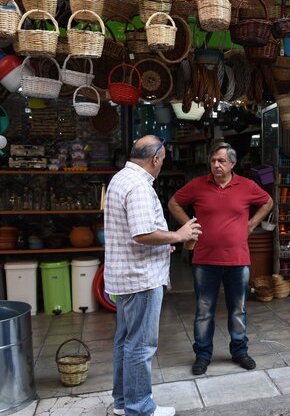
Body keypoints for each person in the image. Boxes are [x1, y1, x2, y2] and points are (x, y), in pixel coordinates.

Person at [104, 135, 202, 416]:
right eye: (163, 160)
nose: (162, 165)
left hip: (127, 276)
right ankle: (139, 407)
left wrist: (165, 243)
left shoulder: (121, 178)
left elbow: (136, 232)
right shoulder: (137, 186)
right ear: (155, 159)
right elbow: (142, 233)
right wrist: (179, 235)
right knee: (140, 345)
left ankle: (123, 402)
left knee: (125, 341)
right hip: (141, 279)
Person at [168, 141, 274, 376]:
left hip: (238, 260)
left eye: (221, 161)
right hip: (205, 260)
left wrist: (252, 223)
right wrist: (189, 224)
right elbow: (174, 202)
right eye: (213, 160)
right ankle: (203, 355)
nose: (215, 165)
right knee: (204, 310)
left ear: (232, 164)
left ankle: (239, 352)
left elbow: (268, 201)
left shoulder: (246, 185)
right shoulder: (198, 185)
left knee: (238, 309)